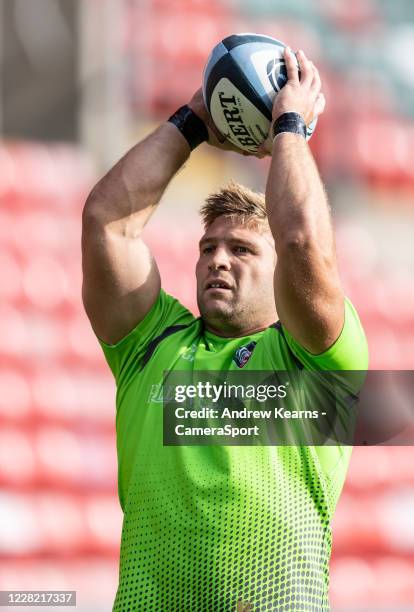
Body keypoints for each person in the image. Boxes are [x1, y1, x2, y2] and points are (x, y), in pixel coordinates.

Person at [82, 47, 368, 611]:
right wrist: (194, 118)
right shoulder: (152, 344)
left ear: (278, 271)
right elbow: (106, 223)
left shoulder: (318, 361)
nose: (218, 259)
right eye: (208, 247)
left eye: (240, 249)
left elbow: (301, 243)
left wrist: (287, 125)